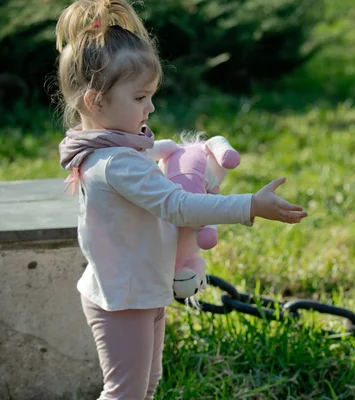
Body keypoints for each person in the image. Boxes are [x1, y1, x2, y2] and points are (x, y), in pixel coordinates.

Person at [55, 1, 308, 398]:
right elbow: (179, 206)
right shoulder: (116, 163)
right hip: (125, 298)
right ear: (95, 101)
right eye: (140, 97)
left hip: (139, 288)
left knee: (145, 385)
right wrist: (249, 206)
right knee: (125, 391)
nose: (150, 106)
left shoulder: (110, 149)